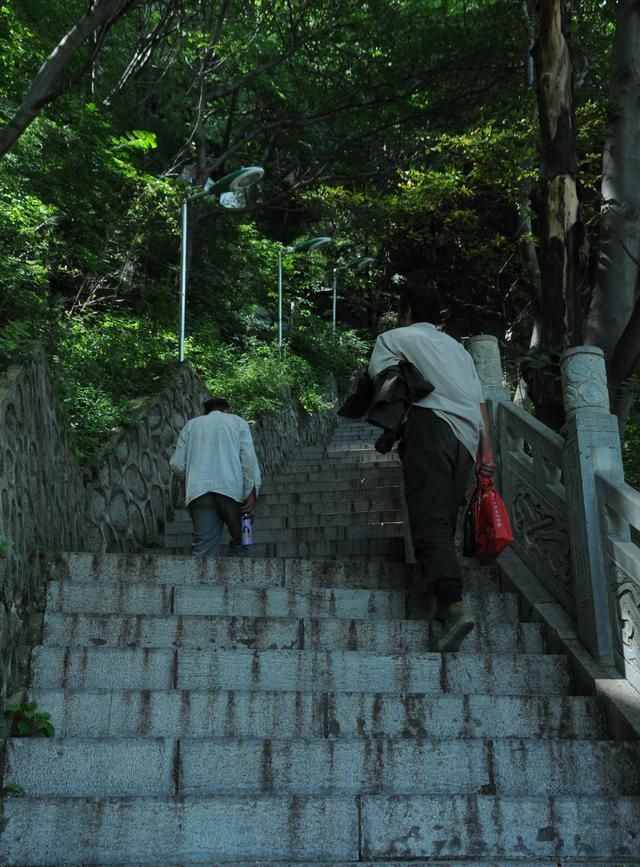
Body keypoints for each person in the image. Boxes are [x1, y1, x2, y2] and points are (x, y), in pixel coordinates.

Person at [368, 285, 495, 652]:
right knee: (445, 515)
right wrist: (487, 455)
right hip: (467, 439)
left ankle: (452, 605)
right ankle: (447, 592)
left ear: (406, 311)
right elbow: (480, 403)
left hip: (430, 427)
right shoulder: (458, 349)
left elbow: (383, 385)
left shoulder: (393, 338)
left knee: (430, 519)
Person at [170, 397, 261, 557]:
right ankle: (240, 577)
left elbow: (177, 464)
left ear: (205, 412)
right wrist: (251, 494)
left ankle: (203, 581)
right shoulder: (238, 422)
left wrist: (191, 479)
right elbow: (248, 461)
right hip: (234, 491)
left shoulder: (191, 425)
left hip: (199, 493)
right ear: (227, 410)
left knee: (204, 548)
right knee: (244, 540)